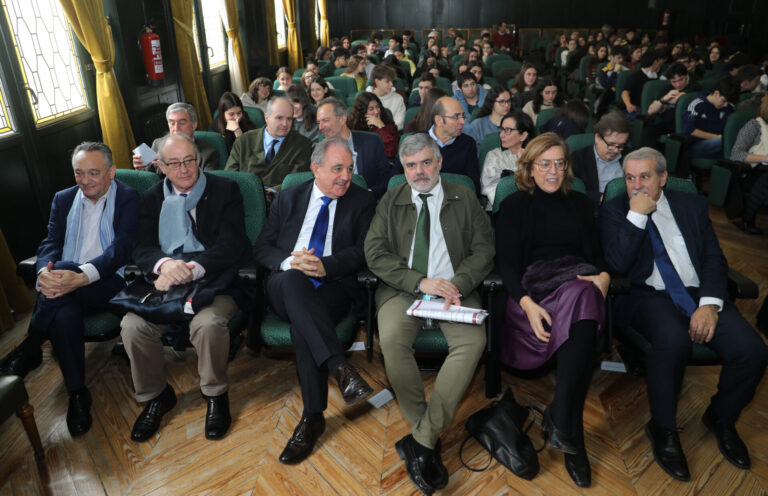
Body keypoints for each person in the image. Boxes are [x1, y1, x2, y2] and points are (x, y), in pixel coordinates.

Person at [600, 147, 768, 481]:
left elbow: (713, 258)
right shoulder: (614, 211)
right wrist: (637, 215)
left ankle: (721, 418)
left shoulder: (690, 204)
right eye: (629, 177)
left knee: (753, 351)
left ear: (662, 177)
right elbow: (617, 264)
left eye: (644, 176)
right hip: (647, 295)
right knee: (672, 341)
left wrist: (709, 304)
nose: (636, 185)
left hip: (697, 292)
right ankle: (663, 428)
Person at [364, 133, 494, 495]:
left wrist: (458, 283)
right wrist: (420, 281)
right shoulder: (391, 199)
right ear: (402, 168)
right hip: (403, 290)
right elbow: (374, 253)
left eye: (425, 163)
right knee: (390, 338)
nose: (419, 172)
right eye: (410, 166)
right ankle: (427, 430)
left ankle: (421, 439)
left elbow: (484, 250)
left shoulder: (464, 198)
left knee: (472, 343)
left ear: (439, 163)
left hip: (456, 290)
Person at [0, 142, 139, 437]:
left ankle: (31, 344)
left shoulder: (128, 197)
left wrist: (81, 275)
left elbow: (121, 249)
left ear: (111, 172)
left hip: (110, 281)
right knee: (64, 315)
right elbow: (49, 242)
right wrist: (44, 271)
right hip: (66, 286)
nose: (85, 180)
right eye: (79, 173)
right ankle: (78, 394)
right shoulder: (63, 199)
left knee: (68, 268)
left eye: (93, 173)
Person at [253, 137, 376, 465]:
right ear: (315, 168)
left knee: (302, 330)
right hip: (285, 284)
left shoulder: (363, 201)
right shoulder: (289, 198)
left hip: (333, 287)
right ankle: (340, 366)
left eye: (349, 169)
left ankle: (312, 417)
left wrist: (325, 265)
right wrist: (291, 262)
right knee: (294, 280)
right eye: (337, 169)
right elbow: (262, 248)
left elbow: (366, 251)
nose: (345, 177)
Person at [496, 133, 610, 488]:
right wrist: (527, 304)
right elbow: (508, 267)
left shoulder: (580, 203)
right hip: (533, 294)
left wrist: (604, 277)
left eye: (560, 163)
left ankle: (564, 420)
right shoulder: (515, 205)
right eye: (545, 163)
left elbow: (596, 257)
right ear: (529, 167)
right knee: (585, 296)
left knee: (586, 291)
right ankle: (567, 428)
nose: (553, 170)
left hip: (577, 288)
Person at [121, 133, 251, 442]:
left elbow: (232, 244)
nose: (184, 169)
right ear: (161, 167)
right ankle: (156, 397)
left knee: (207, 324)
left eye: (190, 160)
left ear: (199, 160)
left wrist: (190, 269)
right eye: (175, 163)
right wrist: (165, 265)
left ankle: (215, 394)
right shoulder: (151, 199)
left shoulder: (225, 190)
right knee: (132, 326)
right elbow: (141, 247)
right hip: (166, 282)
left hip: (217, 281)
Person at [395, 96, 480, 194]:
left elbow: (472, 186)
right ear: (439, 120)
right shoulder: (414, 141)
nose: (462, 121)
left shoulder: (468, 144)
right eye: (456, 117)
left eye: (463, 116)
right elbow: (396, 180)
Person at [225, 97, 313, 189]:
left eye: (289, 119)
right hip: (245, 196)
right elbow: (230, 176)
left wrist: (272, 193)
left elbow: (296, 182)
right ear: (266, 117)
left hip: (281, 199)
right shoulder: (243, 141)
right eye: (279, 118)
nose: (285, 124)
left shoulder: (302, 145)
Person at [316, 97, 392, 198]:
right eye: (318, 122)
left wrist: (367, 194)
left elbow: (386, 180)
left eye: (325, 120)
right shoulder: (320, 149)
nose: (320, 127)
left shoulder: (372, 142)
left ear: (342, 119)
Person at [132, 102, 219, 173]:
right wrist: (141, 169)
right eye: (172, 123)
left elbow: (207, 184)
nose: (176, 128)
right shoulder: (157, 144)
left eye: (182, 123)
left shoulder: (208, 154)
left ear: (194, 125)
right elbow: (150, 178)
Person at [571, 111, 631, 206]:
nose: (616, 150)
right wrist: (602, 198)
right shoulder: (578, 159)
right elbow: (575, 191)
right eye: (611, 144)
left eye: (620, 146)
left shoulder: (629, 156)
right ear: (598, 138)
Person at [729, 91, 768, 234]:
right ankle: (747, 219)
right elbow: (736, 154)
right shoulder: (753, 125)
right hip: (752, 171)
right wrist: (765, 158)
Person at [641, 62, 702, 148]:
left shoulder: (694, 86)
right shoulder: (667, 88)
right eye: (674, 81)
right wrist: (664, 99)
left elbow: (678, 99)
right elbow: (650, 111)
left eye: (681, 80)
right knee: (647, 132)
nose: (678, 84)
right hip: (667, 124)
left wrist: (664, 103)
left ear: (686, 76)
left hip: (684, 124)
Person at [481, 111, 534, 206]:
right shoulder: (494, 156)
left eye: (508, 130)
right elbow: (491, 190)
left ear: (523, 135)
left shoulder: (537, 157)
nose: (501, 135)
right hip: (501, 208)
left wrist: (526, 165)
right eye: (502, 129)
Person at [682, 75, 740, 159]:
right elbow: (689, 130)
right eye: (723, 101)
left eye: (728, 102)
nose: (726, 105)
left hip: (720, 143)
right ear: (716, 93)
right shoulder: (696, 105)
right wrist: (716, 137)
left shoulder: (729, 107)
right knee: (727, 141)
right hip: (698, 145)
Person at [349, 92, 399, 160]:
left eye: (378, 107)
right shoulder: (353, 125)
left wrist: (382, 127)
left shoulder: (388, 124)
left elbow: (391, 152)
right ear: (362, 111)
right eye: (371, 109)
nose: (376, 111)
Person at [622, 49, 665, 117]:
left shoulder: (658, 76)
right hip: (638, 107)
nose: (660, 63)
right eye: (659, 61)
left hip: (652, 107)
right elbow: (625, 92)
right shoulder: (636, 75)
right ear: (654, 62)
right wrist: (629, 105)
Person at [366, 64, 406, 130]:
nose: (391, 84)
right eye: (387, 81)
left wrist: (381, 125)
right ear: (377, 82)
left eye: (392, 81)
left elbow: (399, 125)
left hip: (389, 136)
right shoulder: (364, 97)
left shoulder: (398, 99)